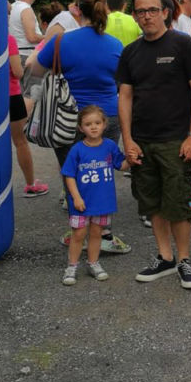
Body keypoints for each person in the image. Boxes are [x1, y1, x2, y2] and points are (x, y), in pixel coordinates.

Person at [117, 0, 191, 288]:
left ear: (165, 12)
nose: (147, 16)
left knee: (177, 204)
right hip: (142, 141)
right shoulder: (130, 52)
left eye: (152, 10)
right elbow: (125, 97)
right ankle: (165, 257)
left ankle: (184, 260)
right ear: (135, 16)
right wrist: (128, 140)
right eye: (141, 11)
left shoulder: (183, 45)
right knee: (151, 202)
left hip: (175, 140)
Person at [33, 0, 129, 255]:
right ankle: (104, 234)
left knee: (73, 173)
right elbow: (123, 81)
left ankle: (78, 231)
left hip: (69, 118)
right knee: (102, 173)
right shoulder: (115, 45)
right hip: (108, 115)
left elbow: (35, 69)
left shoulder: (62, 42)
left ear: (77, 9)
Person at [61, 106, 127, 286]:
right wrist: (76, 197)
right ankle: (72, 266)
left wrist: (132, 158)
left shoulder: (110, 146)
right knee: (78, 234)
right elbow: (68, 175)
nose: (93, 127)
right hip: (81, 202)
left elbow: (121, 165)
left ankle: (93, 263)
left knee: (97, 233)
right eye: (88, 124)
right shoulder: (77, 150)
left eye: (97, 123)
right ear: (81, 128)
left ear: (104, 124)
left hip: (102, 201)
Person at [8, 35, 48, 197]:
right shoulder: (7, 39)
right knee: (20, 142)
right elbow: (17, 72)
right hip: (11, 95)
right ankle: (31, 185)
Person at [8, 0, 42, 110]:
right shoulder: (26, 9)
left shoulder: (12, 7)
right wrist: (49, 37)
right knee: (30, 94)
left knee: (19, 92)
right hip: (27, 55)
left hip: (14, 55)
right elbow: (31, 37)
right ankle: (28, 120)